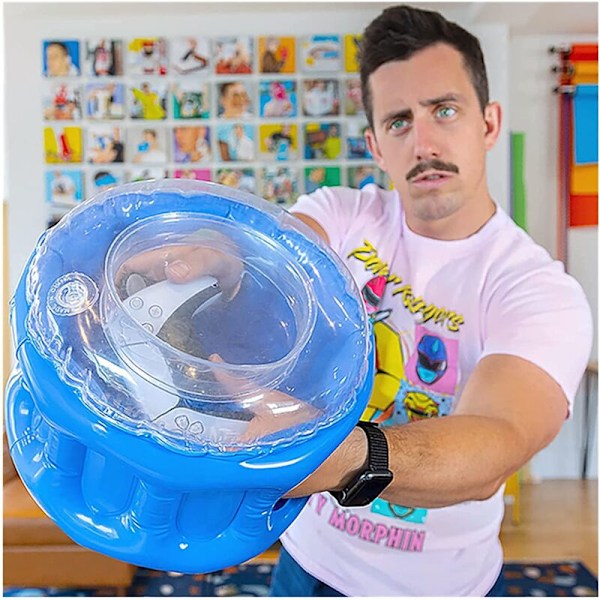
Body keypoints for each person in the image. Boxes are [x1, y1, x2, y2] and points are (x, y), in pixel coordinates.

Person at [118, 5, 592, 596]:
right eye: (398, 121)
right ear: (375, 144)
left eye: (445, 110)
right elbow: (275, 255)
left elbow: (495, 440)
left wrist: (341, 456)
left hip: (443, 587)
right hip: (308, 563)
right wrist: (226, 256)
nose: (423, 142)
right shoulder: (343, 215)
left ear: (489, 124)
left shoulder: (539, 290)